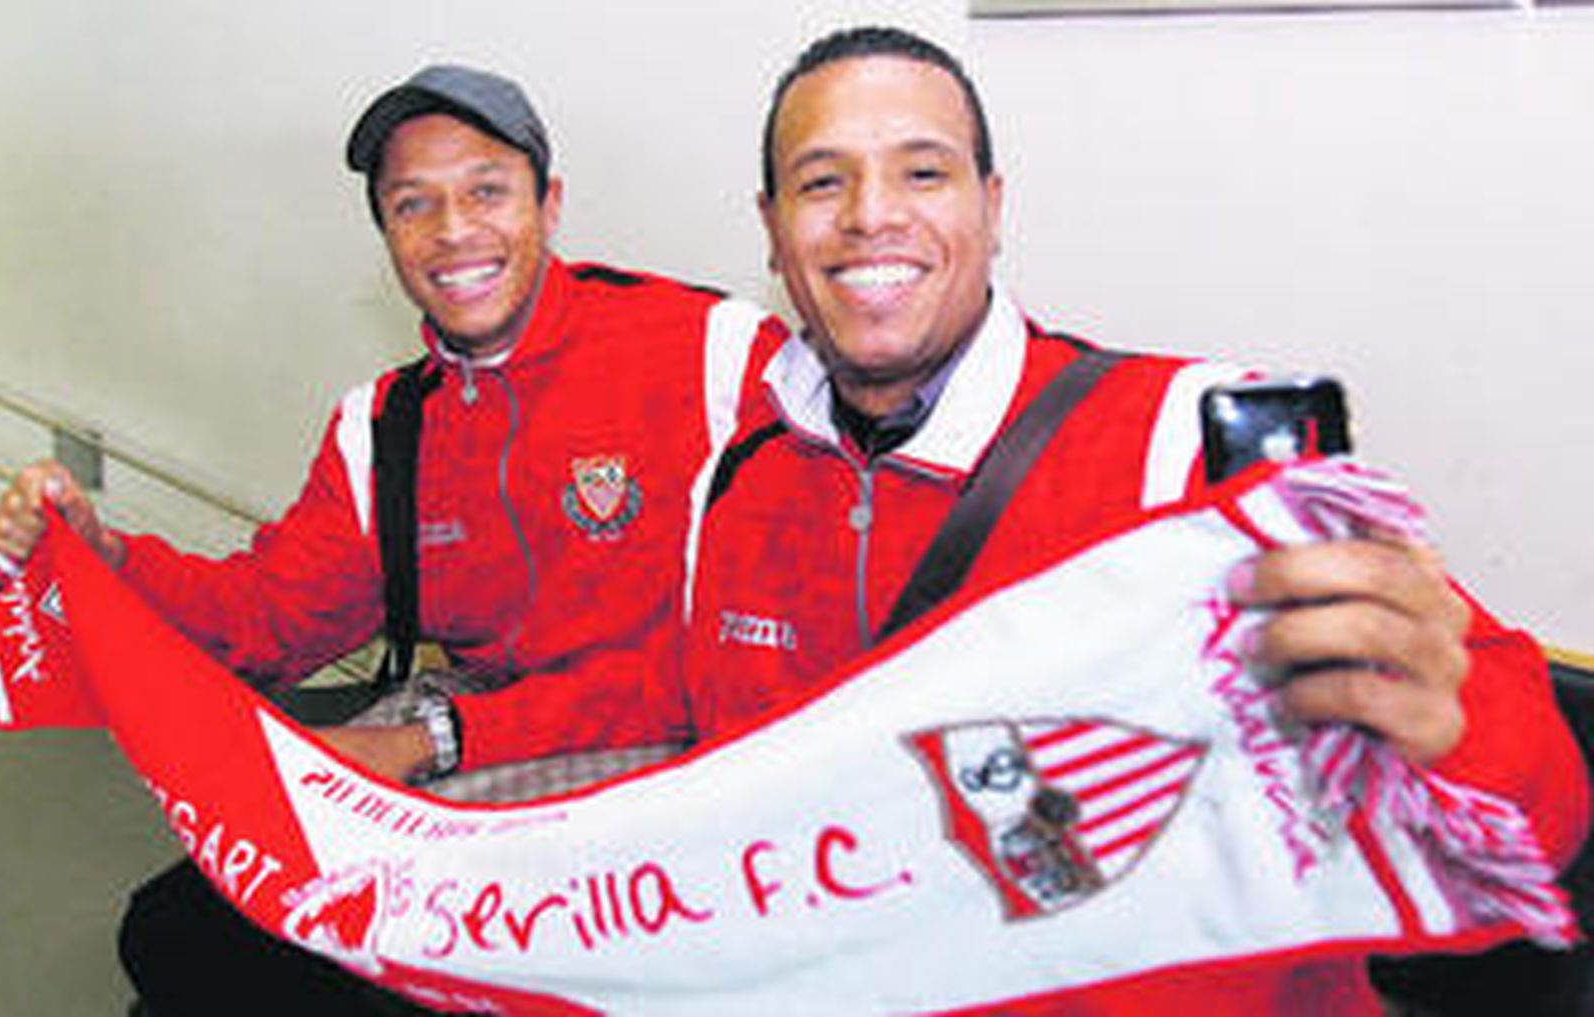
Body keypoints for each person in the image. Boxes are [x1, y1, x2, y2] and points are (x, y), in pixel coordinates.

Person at [676, 25, 1588, 1013]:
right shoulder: (742, 476)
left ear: (992, 206)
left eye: (923, 172)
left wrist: (1438, 728)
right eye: (822, 183)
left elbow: (1532, 827)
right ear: (771, 229)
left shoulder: (1182, 453)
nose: (871, 215)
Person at [0, 63, 775, 1015]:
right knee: (178, 937)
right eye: (414, 205)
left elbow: (770, 644)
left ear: (549, 203)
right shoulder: (382, 427)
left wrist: (436, 736)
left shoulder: (715, 356)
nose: (454, 231)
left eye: (487, 190)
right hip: (465, 743)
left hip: (674, 756)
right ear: (389, 238)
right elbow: (266, 621)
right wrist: (109, 557)